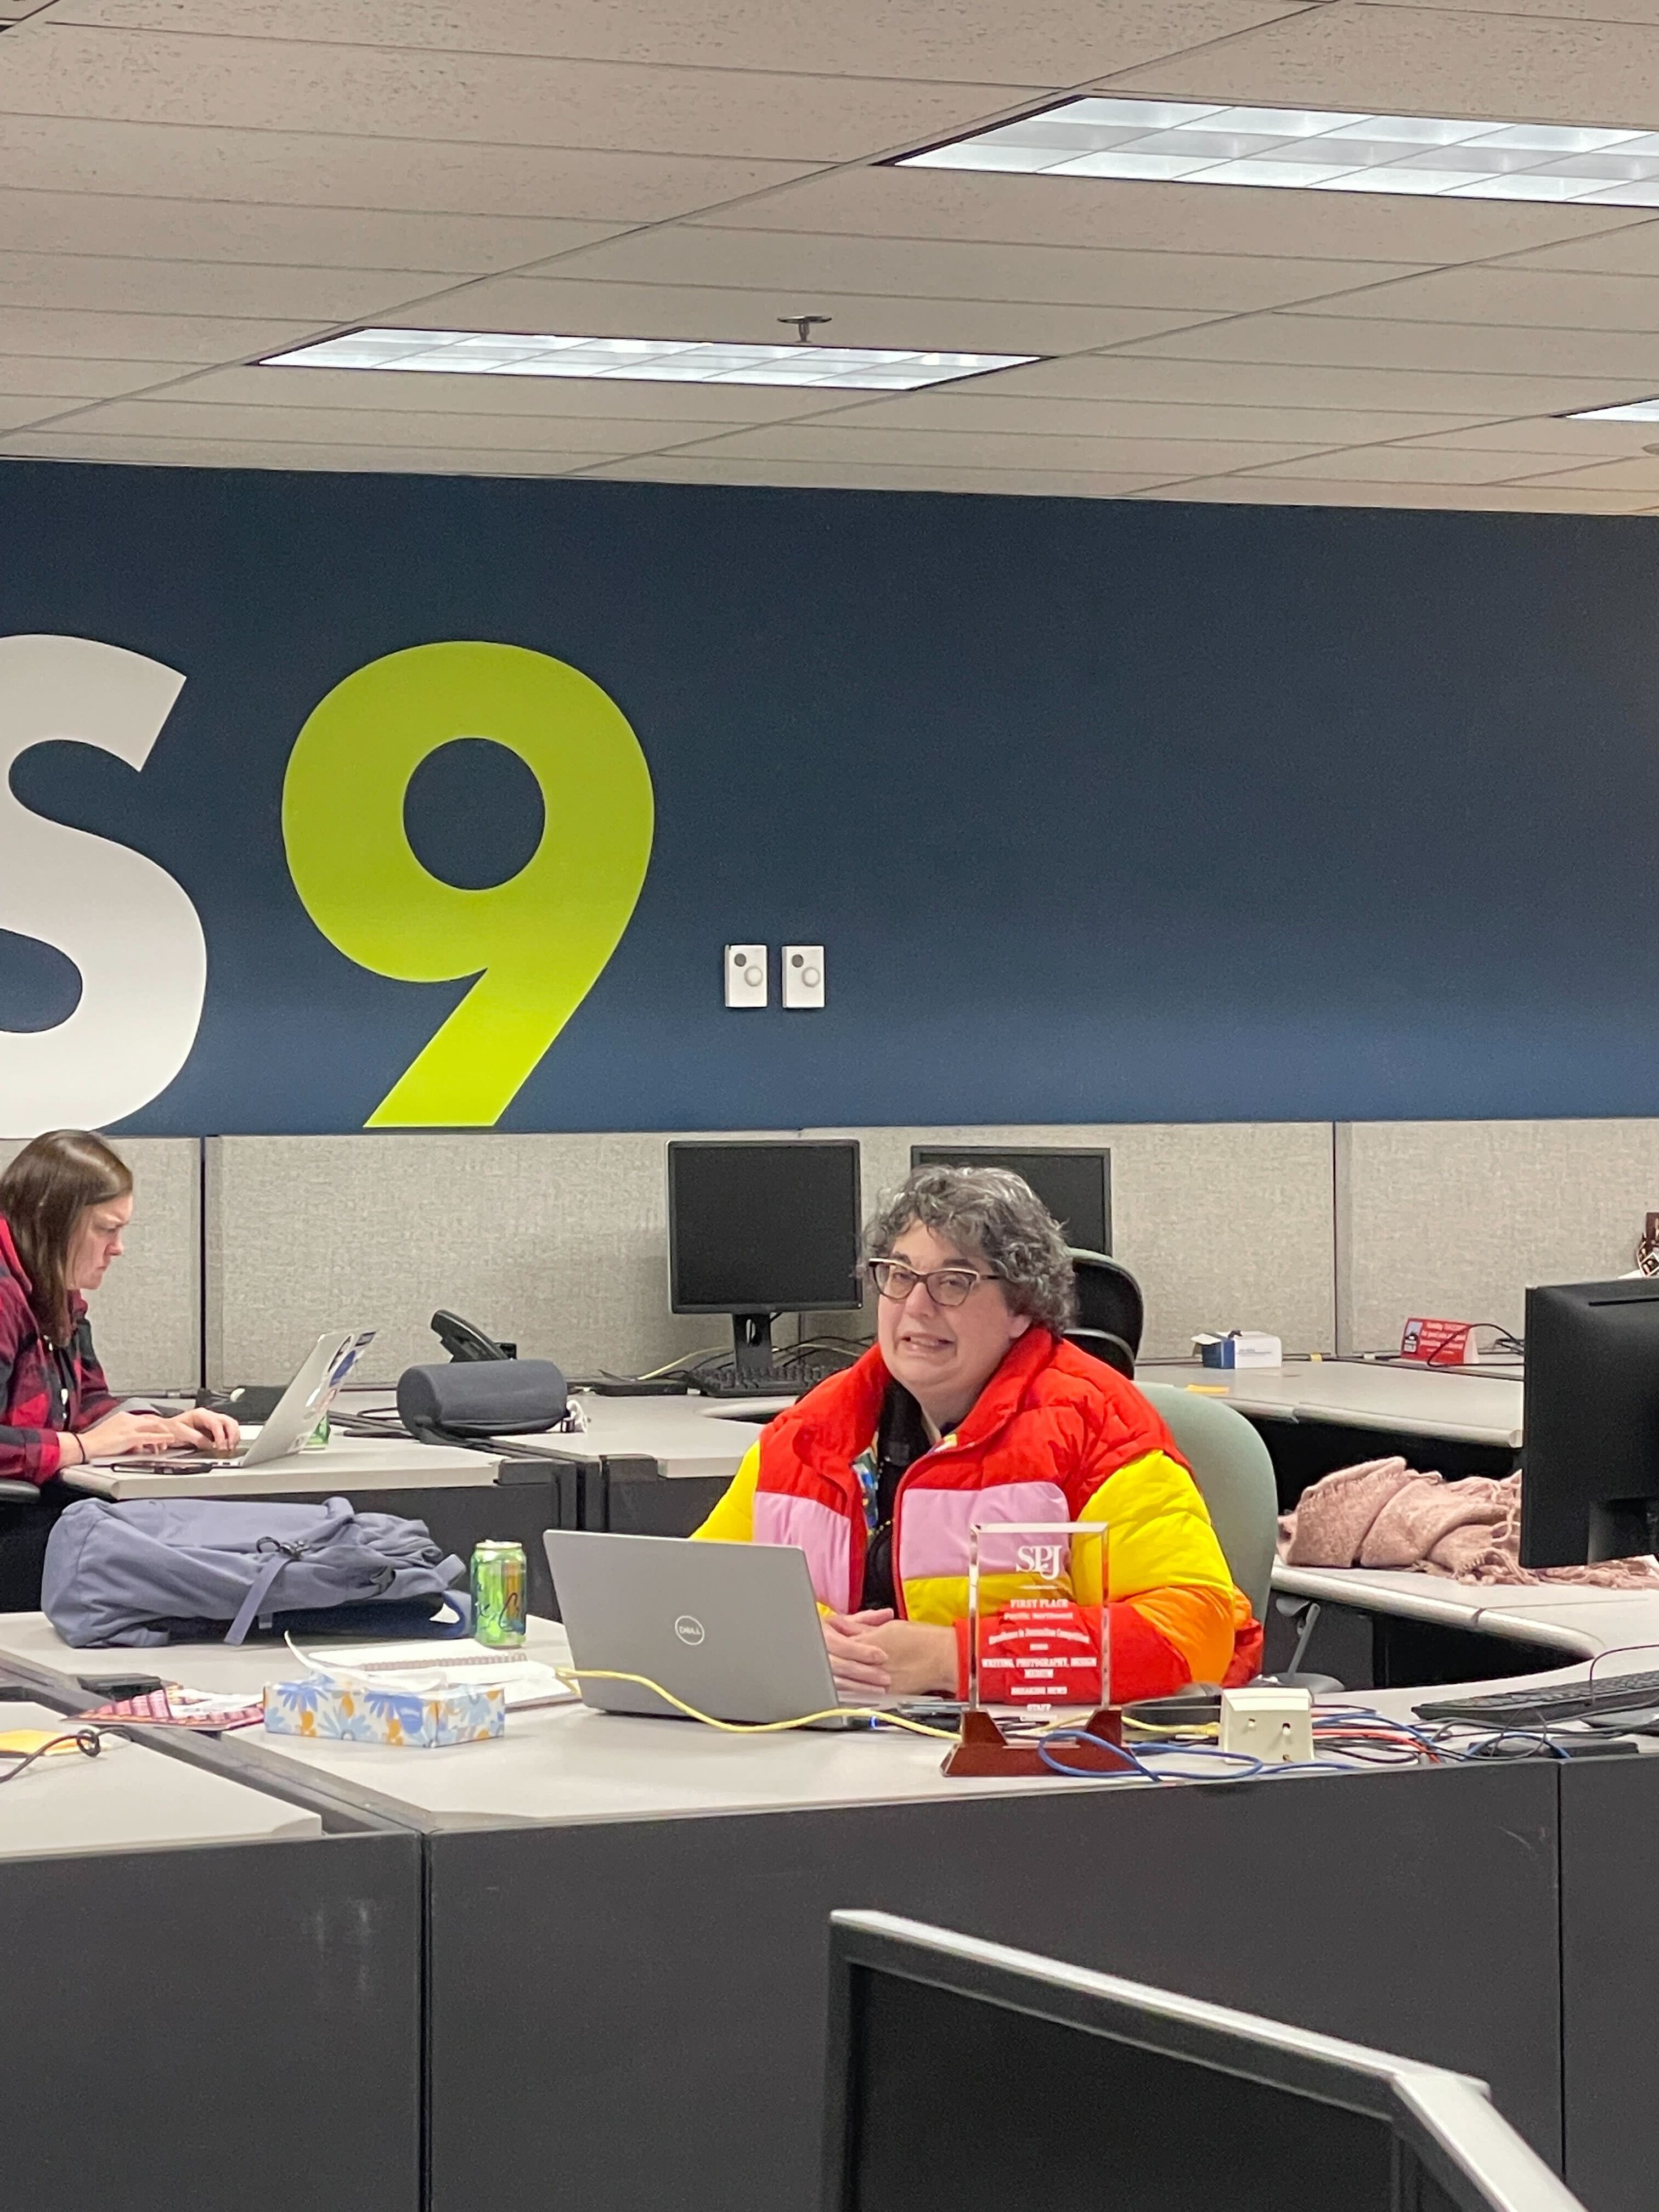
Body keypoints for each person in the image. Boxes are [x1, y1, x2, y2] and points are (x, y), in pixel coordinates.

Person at [693, 1165, 1261, 1703]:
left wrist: (954, 1658)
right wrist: (806, 1641)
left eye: (954, 1282)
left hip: (1029, 1768)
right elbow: (693, 1598)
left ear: (1022, 1307)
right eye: (899, 1275)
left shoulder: (1099, 1430)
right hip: (831, 1758)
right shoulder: (813, 1433)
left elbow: (1192, 1627)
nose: (916, 1307)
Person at [0, 1131, 238, 1607]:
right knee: (173, 1563)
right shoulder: (4, 1298)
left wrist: (161, 1427)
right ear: (53, 1219)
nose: (119, 1248)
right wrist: (81, 1447)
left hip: (36, 1510)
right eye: (106, 1229)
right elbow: (75, 1435)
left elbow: (86, 1400)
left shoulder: (54, 1293)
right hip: (13, 1524)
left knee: (192, 1540)